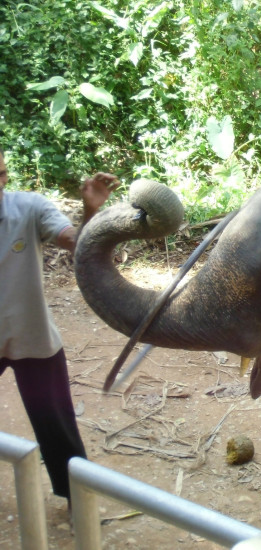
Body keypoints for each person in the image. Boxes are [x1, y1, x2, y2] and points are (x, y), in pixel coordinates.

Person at [0, 147, 119, 504]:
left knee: (56, 426)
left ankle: (76, 500)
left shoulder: (28, 208)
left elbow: (75, 243)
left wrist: (91, 211)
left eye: (2, 174)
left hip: (31, 336)